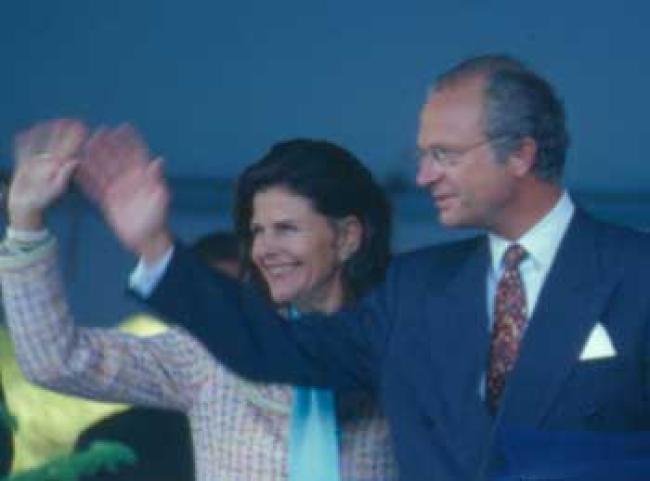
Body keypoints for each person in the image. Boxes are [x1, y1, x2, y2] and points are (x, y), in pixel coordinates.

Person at [0, 125, 398, 481]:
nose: (266, 249)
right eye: (258, 232)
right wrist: (25, 222)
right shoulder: (210, 353)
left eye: (286, 229)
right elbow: (56, 360)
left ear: (347, 237)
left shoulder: (404, 344)